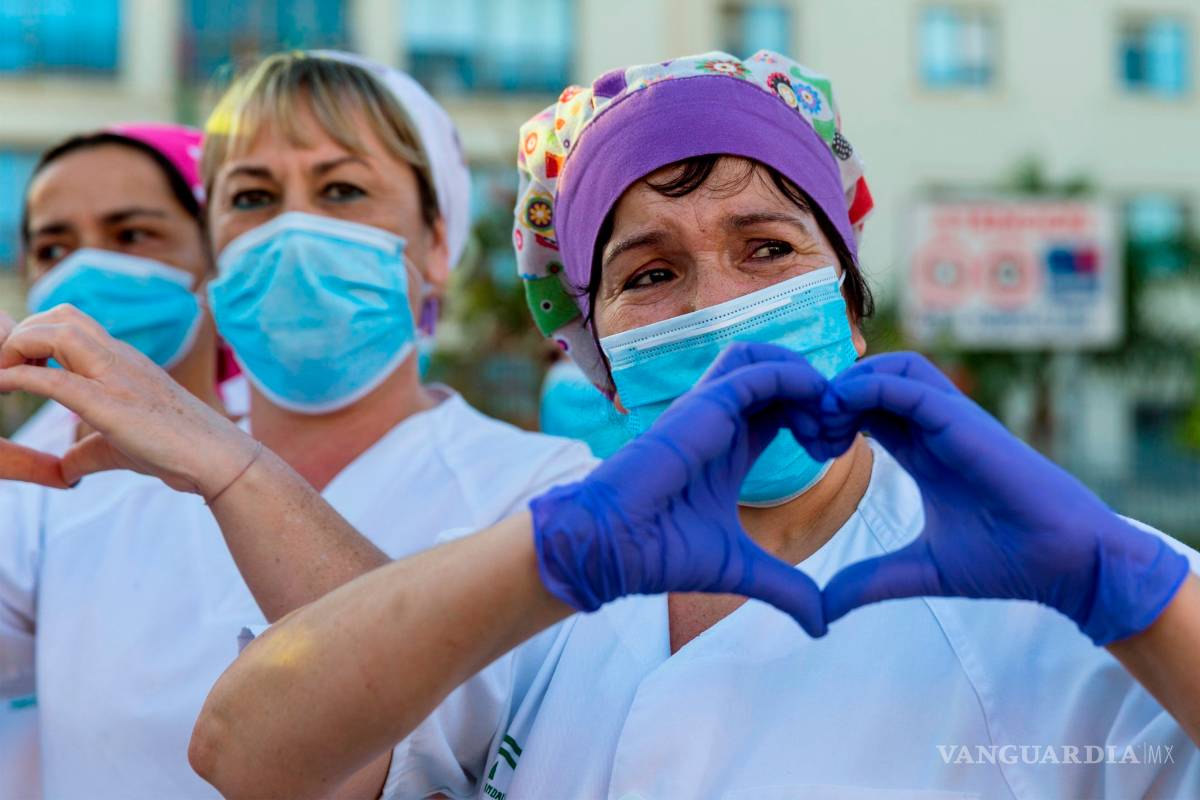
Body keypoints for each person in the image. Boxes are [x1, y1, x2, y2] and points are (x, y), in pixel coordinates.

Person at [1, 51, 1196, 798]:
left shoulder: (1068, 608)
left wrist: (1126, 585)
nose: (722, 307)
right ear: (594, 348)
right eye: (650, 273)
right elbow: (251, 753)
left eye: (768, 248)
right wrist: (545, 559)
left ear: (847, 288)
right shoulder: (555, 578)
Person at [0, 51, 593, 800]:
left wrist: (233, 472)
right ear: (214, 247)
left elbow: (444, 754)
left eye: (342, 189)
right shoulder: (88, 472)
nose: (291, 229)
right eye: (251, 196)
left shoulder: (543, 491)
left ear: (438, 243)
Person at [0, 122, 248, 800]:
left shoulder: (289, 450)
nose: (91, 269)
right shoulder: (31, 471)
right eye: (54, 247)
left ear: (215, 252)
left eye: (133, 235)